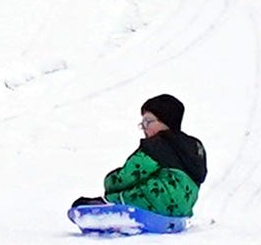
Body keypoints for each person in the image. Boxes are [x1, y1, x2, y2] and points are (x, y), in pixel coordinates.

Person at [72, 93, 208, 226]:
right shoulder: (194, 146)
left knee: (128, 194)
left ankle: (106, 208)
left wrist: (110, 182)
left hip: (158, 199)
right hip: (184, 208)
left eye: (148, 121)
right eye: (142, 122)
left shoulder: (157, 145)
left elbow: (131, 174)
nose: (144, 127)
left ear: (166, 121)